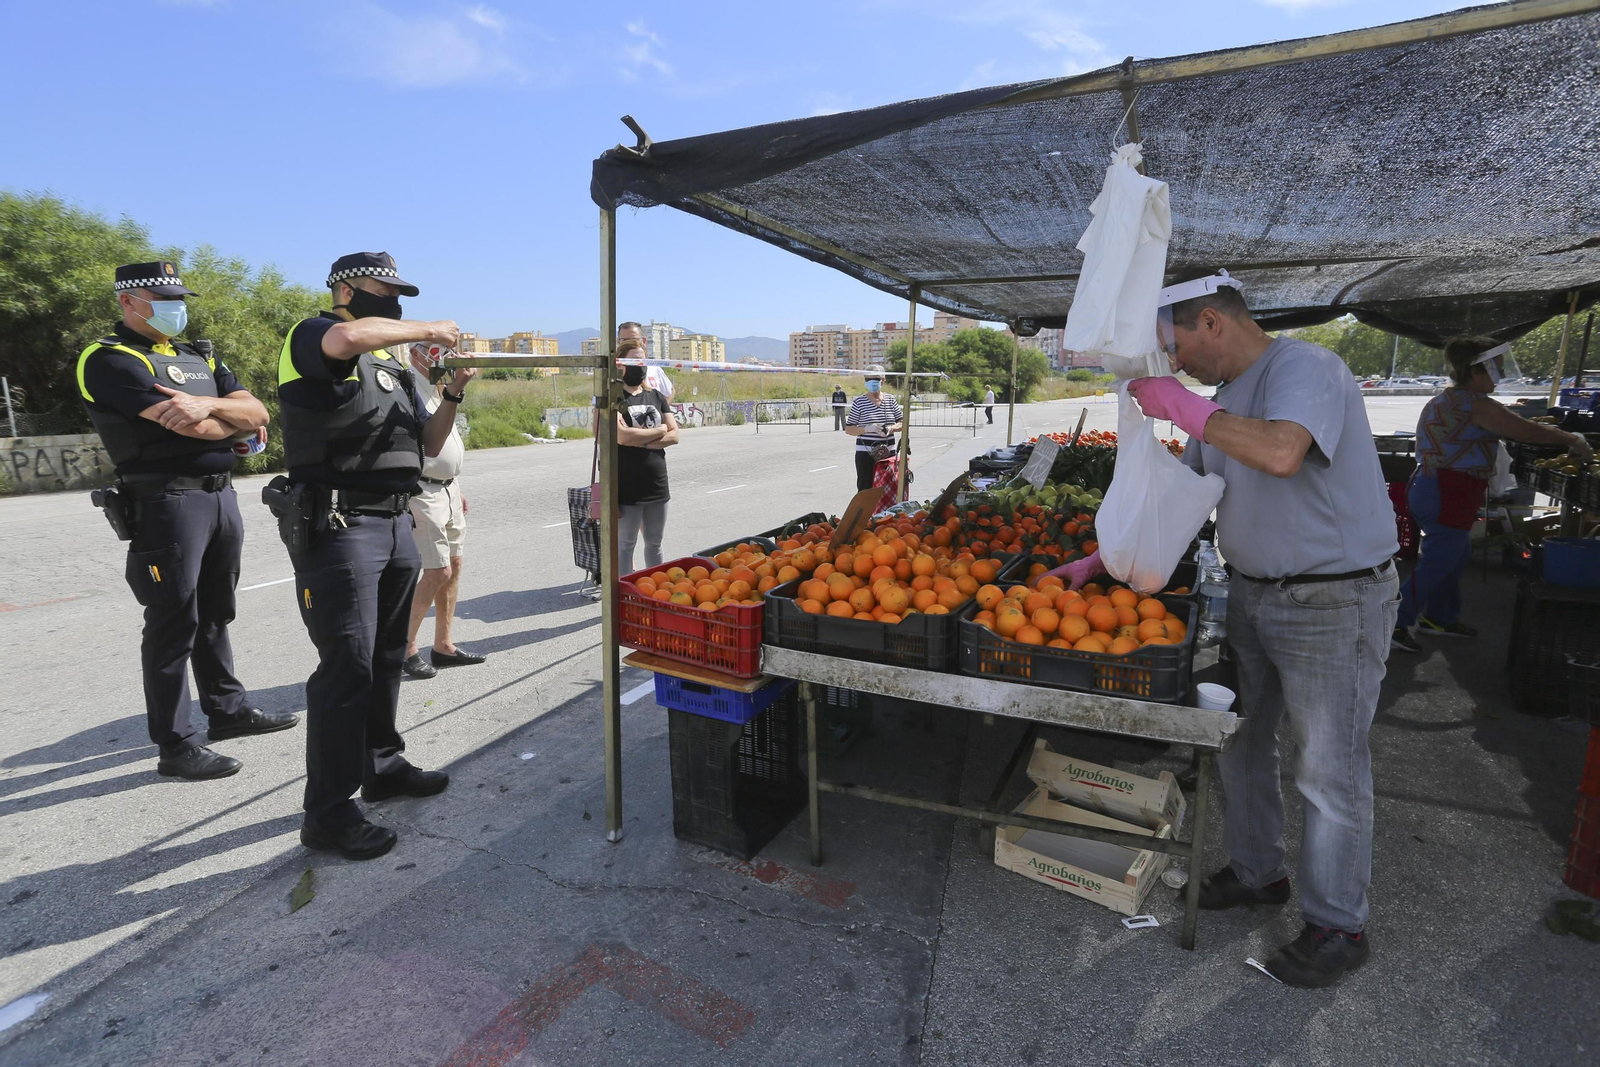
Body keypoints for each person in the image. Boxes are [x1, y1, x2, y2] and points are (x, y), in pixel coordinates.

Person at [1122, 269, 1399, 988]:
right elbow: (1183, 498)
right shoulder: (1225, 400)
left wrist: (1183, 406)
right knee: (1242, 744)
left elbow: (1282, 451)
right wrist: (1100, 559)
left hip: (1332, 602)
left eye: (1174, 343)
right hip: (1251, 595)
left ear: (1211, 321)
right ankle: (1257, 872)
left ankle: (1339, 924)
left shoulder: (1304, 367)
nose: (1174, 362)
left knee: (1327, 769)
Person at [275, 251, 474, 861]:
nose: (394, 299)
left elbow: (429, 443)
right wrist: (430, 329)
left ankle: (382, 768)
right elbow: (350, 335)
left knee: (387, 658)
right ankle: (329, 813)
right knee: (346, 668)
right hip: (340, 522)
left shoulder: (387, 364)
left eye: (400, 291)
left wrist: (452, 395)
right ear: (345, 287)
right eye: (384, 288)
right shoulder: (314, 335)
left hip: (393, 520)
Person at [78, 261, 293, 781]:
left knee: (215, 613)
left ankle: (228, 713)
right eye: (162, 297)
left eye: (179, 297)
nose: (176, 307)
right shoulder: (109, 359)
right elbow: (184, 425)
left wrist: (216, 411)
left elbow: (259, 411)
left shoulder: (197, 354)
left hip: (220, 497)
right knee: (173, 621)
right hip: (166, 501)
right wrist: (234, 425)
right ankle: (176, 745)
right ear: (129, 302)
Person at [1393, 337, 1592, 652]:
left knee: (1454, 555)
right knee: (1440, 559)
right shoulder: (1475, 404)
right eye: (1496, 369)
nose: (1500, 375)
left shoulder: (1452, 399)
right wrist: (1573, 439)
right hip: (1446, 489)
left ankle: (1440, 618)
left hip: (1439, 487)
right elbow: (1527, 430)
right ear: (1475, 372)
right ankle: (1395, 624)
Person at [400, 345, 488, 679]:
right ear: (415, 353)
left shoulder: (436, 386)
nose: (445, 357)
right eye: (437, 350)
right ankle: (405, 647)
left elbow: (444, 436)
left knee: (454, 564)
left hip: (447, 488)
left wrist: (454, 485)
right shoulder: (408, 385)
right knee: (437, 571)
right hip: (423, 490)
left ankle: (443, 645)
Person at [615, 339, 680, 572]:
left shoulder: (656, 396)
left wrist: (640, 440)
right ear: (621, 364)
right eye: (634, 359)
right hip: (627, 484)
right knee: (626, 545)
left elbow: (674, 436)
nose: (640, 365)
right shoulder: (615, 397)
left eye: (642, 359)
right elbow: (622, 437)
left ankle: (656, 591)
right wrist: (659, 430)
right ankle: (625, 595)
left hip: (656, 482)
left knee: (654, 543)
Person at [845, 366, 904, 491]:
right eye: (868, 379)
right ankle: (866, 511)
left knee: (889, 488)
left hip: (888, 453)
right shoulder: (859, 402)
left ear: (883, 380)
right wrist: (867, 429)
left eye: (875, 379)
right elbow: (849, 429)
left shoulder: (890, 399)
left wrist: (891, 428)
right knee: (866, 489)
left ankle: (887, 511)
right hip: (866, 453)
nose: (871, 382)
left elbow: (902, 423)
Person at [617, 321, 673, 400]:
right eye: (624, 340)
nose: (629, 344)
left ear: (643, 341)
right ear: (618, 342)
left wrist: (660, 410)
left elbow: (670, 391)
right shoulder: (613, 372)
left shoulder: (654, 369)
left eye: (633, 339)